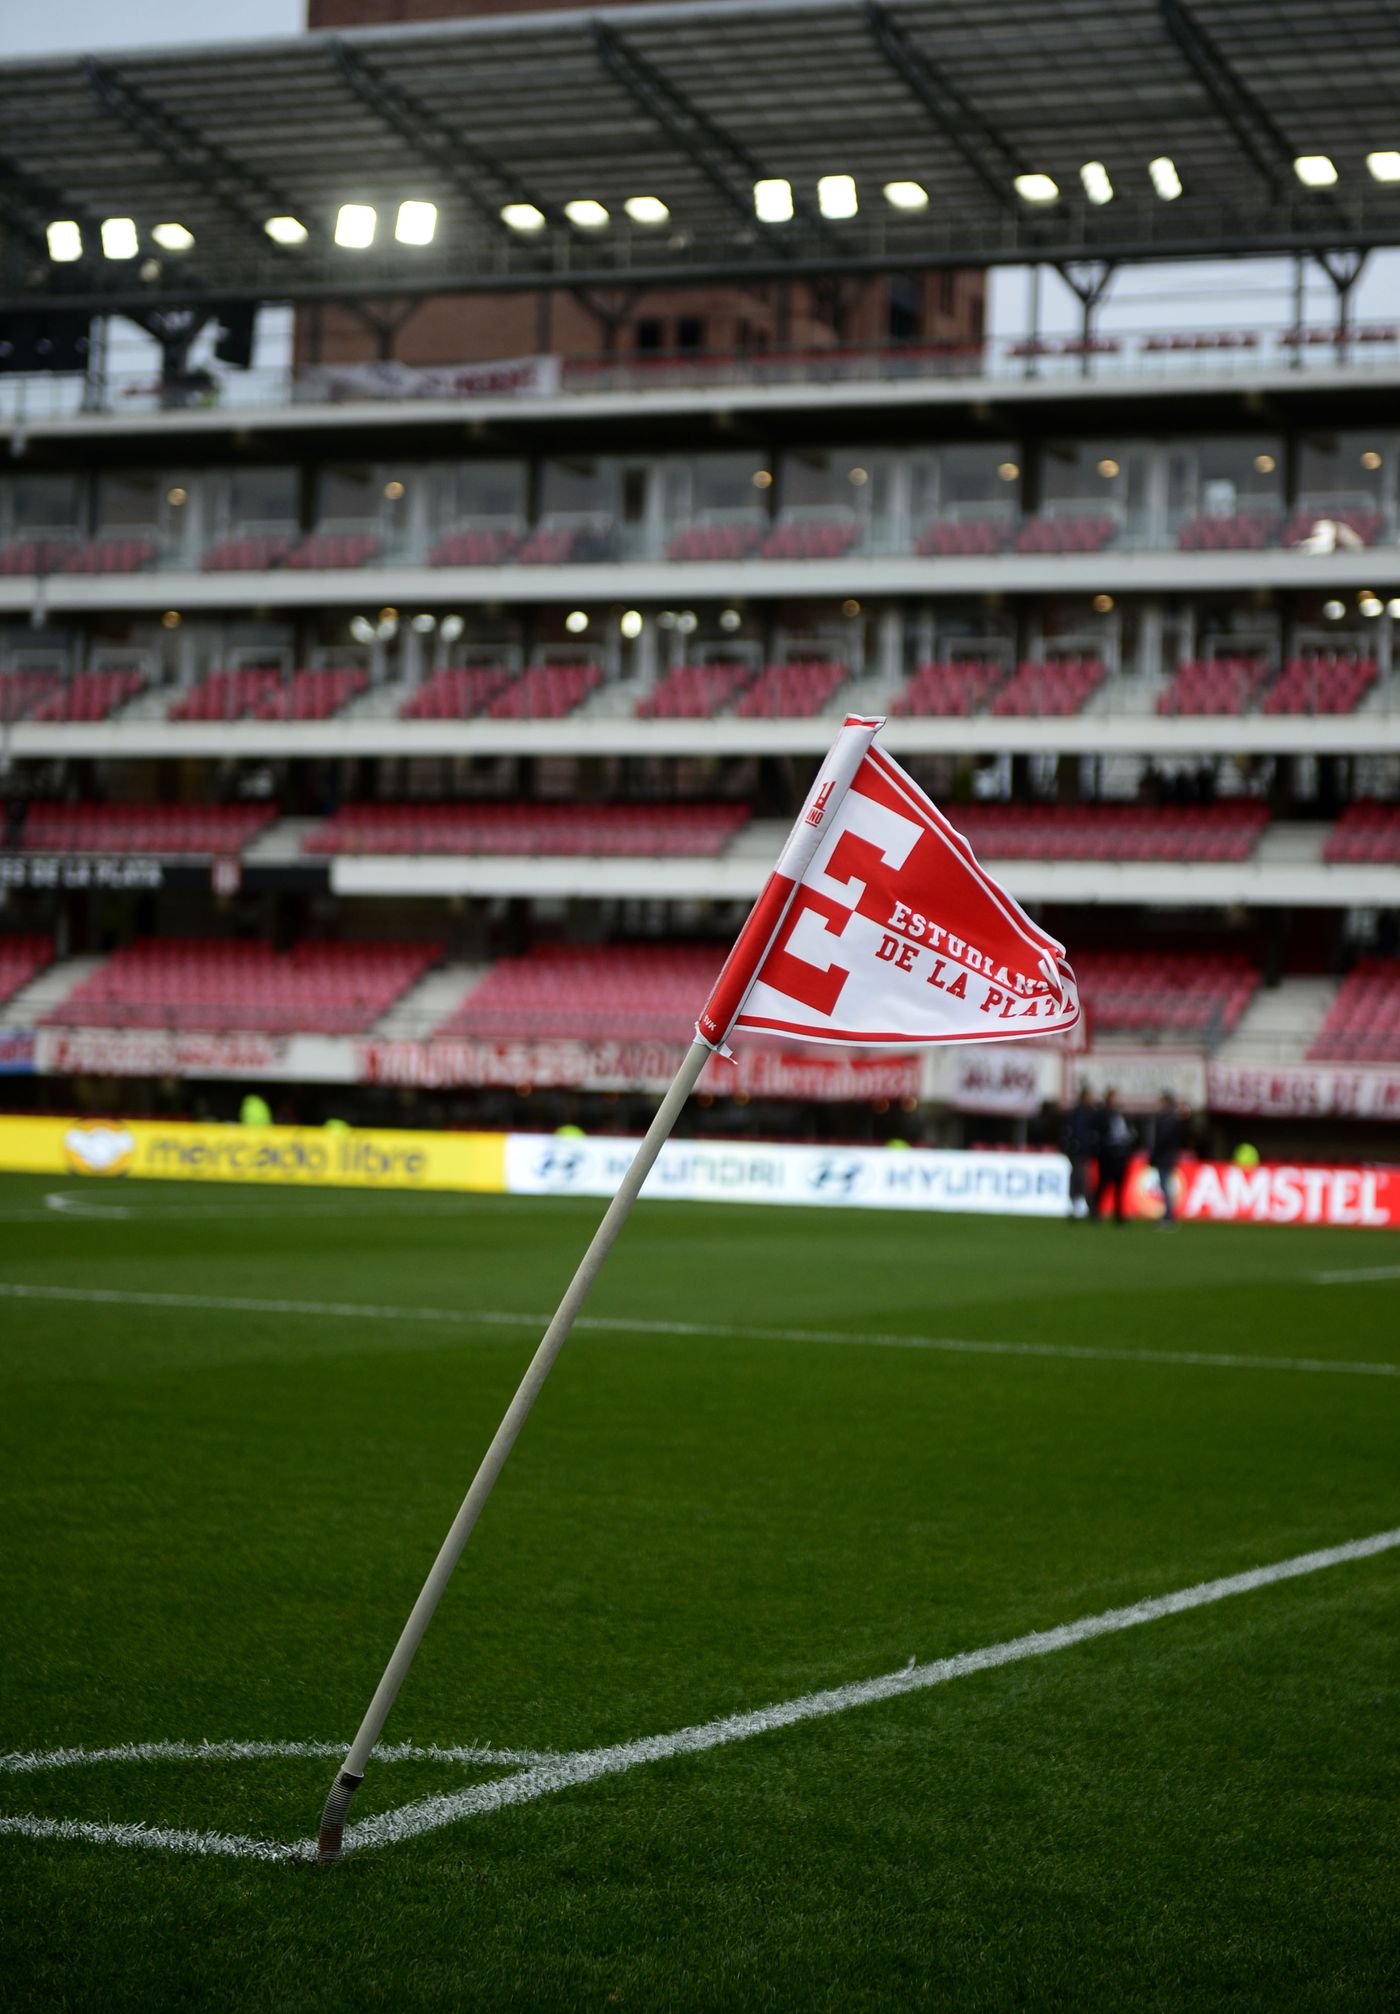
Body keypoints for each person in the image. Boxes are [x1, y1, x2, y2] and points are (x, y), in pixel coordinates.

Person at [1094, 1090, 1135, 1225]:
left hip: (1120, 1156)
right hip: (1107, 1156)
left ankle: (1118, 1214)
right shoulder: (1103, 1115)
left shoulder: (1119, 1115)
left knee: (1119, 1186)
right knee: (1103, 1185)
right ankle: (1095, 1212)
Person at [1060, 1086, 1098, 1220]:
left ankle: (1084, 1209)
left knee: (1081, 1180)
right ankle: (1084, 1209)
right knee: (1081, 1180)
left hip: (1082, 1152)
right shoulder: (1081, 1114)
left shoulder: (1088, 1114)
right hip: (1079, 1153)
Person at [1150, 1092, 1183, 1225]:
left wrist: (1154, 1155)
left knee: (1165, 1186)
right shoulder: (1173, 1119)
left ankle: (1168, 1215)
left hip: (1164, 1157)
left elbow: (1160, 1140)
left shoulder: (1165, 1119)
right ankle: (1168, 1214)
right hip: (1168, 1156)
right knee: (1165, 1185)